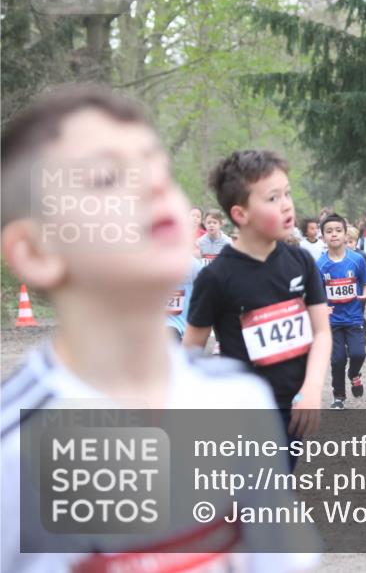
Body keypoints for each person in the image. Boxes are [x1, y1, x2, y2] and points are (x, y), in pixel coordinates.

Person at [0, 85, 318, 571]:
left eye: (157, 168)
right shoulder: (15, 450)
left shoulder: (237, 399)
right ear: (35, 253)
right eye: (107, 178)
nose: (152, 186)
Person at [184, 150, 331, 449]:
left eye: (287, 193)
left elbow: (321, 331)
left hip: (293, 410)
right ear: (240, 214)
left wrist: (312, 388)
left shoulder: (300, 261)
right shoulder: (215, 277)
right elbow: (190, 352)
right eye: (273, 198)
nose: (287, 204)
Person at [316, 214, 366, 410]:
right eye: (329, 231)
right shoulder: (320, 265)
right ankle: (338, 396)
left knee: (358, 354)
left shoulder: (357, 260)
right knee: (337, 359)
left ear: (345, 233)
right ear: (322, 236)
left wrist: (365, 294)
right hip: (332, 321)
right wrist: (322, 306)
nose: (334, 235)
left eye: (338, 230)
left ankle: (354, 374)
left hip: (354, 317)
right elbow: (315, 293)